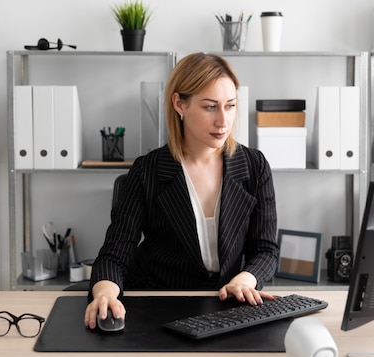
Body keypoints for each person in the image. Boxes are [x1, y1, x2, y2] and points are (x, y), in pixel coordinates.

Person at [84, 53, 279, 329]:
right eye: (210, 107)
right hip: (158, 307)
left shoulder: (254, 166)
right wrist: (105, 294)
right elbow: (115, 254)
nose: (223, 121)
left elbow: (266, 250)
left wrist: (246, 278)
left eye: (231, 106)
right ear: (180, 104)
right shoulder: (147, 171)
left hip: (227, 310)